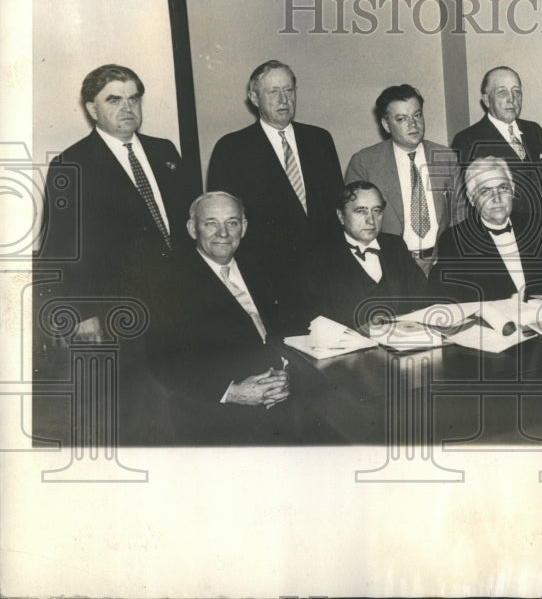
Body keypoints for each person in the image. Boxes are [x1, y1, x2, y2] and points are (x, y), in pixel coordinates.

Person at [148, 192, 326, 445]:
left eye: (232, 222)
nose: (223, 233)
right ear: (192, 228)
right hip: (219, 412)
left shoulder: (265, 265)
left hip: (289, 393)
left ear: (244, 227)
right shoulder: (168, 282)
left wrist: (288, 372)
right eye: (211, 223)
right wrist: (231, 392)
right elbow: (164, 361)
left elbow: (293, 326)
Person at [37, 63, 192, 333]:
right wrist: (82, 314)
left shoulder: (164, 151)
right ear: (92, 109)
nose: (127, 108)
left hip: (182, 298)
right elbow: (60, 247)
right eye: (114, 100)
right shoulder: (72, 164)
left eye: (133, 99)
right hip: (120, 311)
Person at [206, 60, 344, 287]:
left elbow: (337, 208)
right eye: (273, 92)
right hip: (268, 277)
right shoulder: (232, 148)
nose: (283, 99)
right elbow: (226, 222)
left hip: (326, 272)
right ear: (253, 98)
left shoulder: (320, 140)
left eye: (288, 90)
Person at [345, 84, 462, 275]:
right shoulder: (364, 163)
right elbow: (355, 224)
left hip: (441, 264)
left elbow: (460, 212)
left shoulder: (445, 157)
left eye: (417, 115)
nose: (413, 125)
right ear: (386, 125)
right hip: (390, 267)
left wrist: (447, 254)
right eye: (402, 119)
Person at [451, 66, 542, 248]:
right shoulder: (468, 139)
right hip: (507, 239)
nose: (512, 99)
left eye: (517, 91)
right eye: (502, 92)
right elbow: (470, 201)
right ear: (486, 100)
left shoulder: (533, 130)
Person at [430, 157, 542, 302]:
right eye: (485, 191)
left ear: (512, 189)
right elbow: (451, 301)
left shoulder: (537, 225)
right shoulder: (454, 240)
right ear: (472, 198)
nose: (497, 198)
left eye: (503, 188)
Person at [303, 181, 430, 329]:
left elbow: (422, 299)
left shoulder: (396, 247)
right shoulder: (320, 259)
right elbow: (316, 321)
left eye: (377, 211)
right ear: (341, 216)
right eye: (360, 211)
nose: (371, 220)